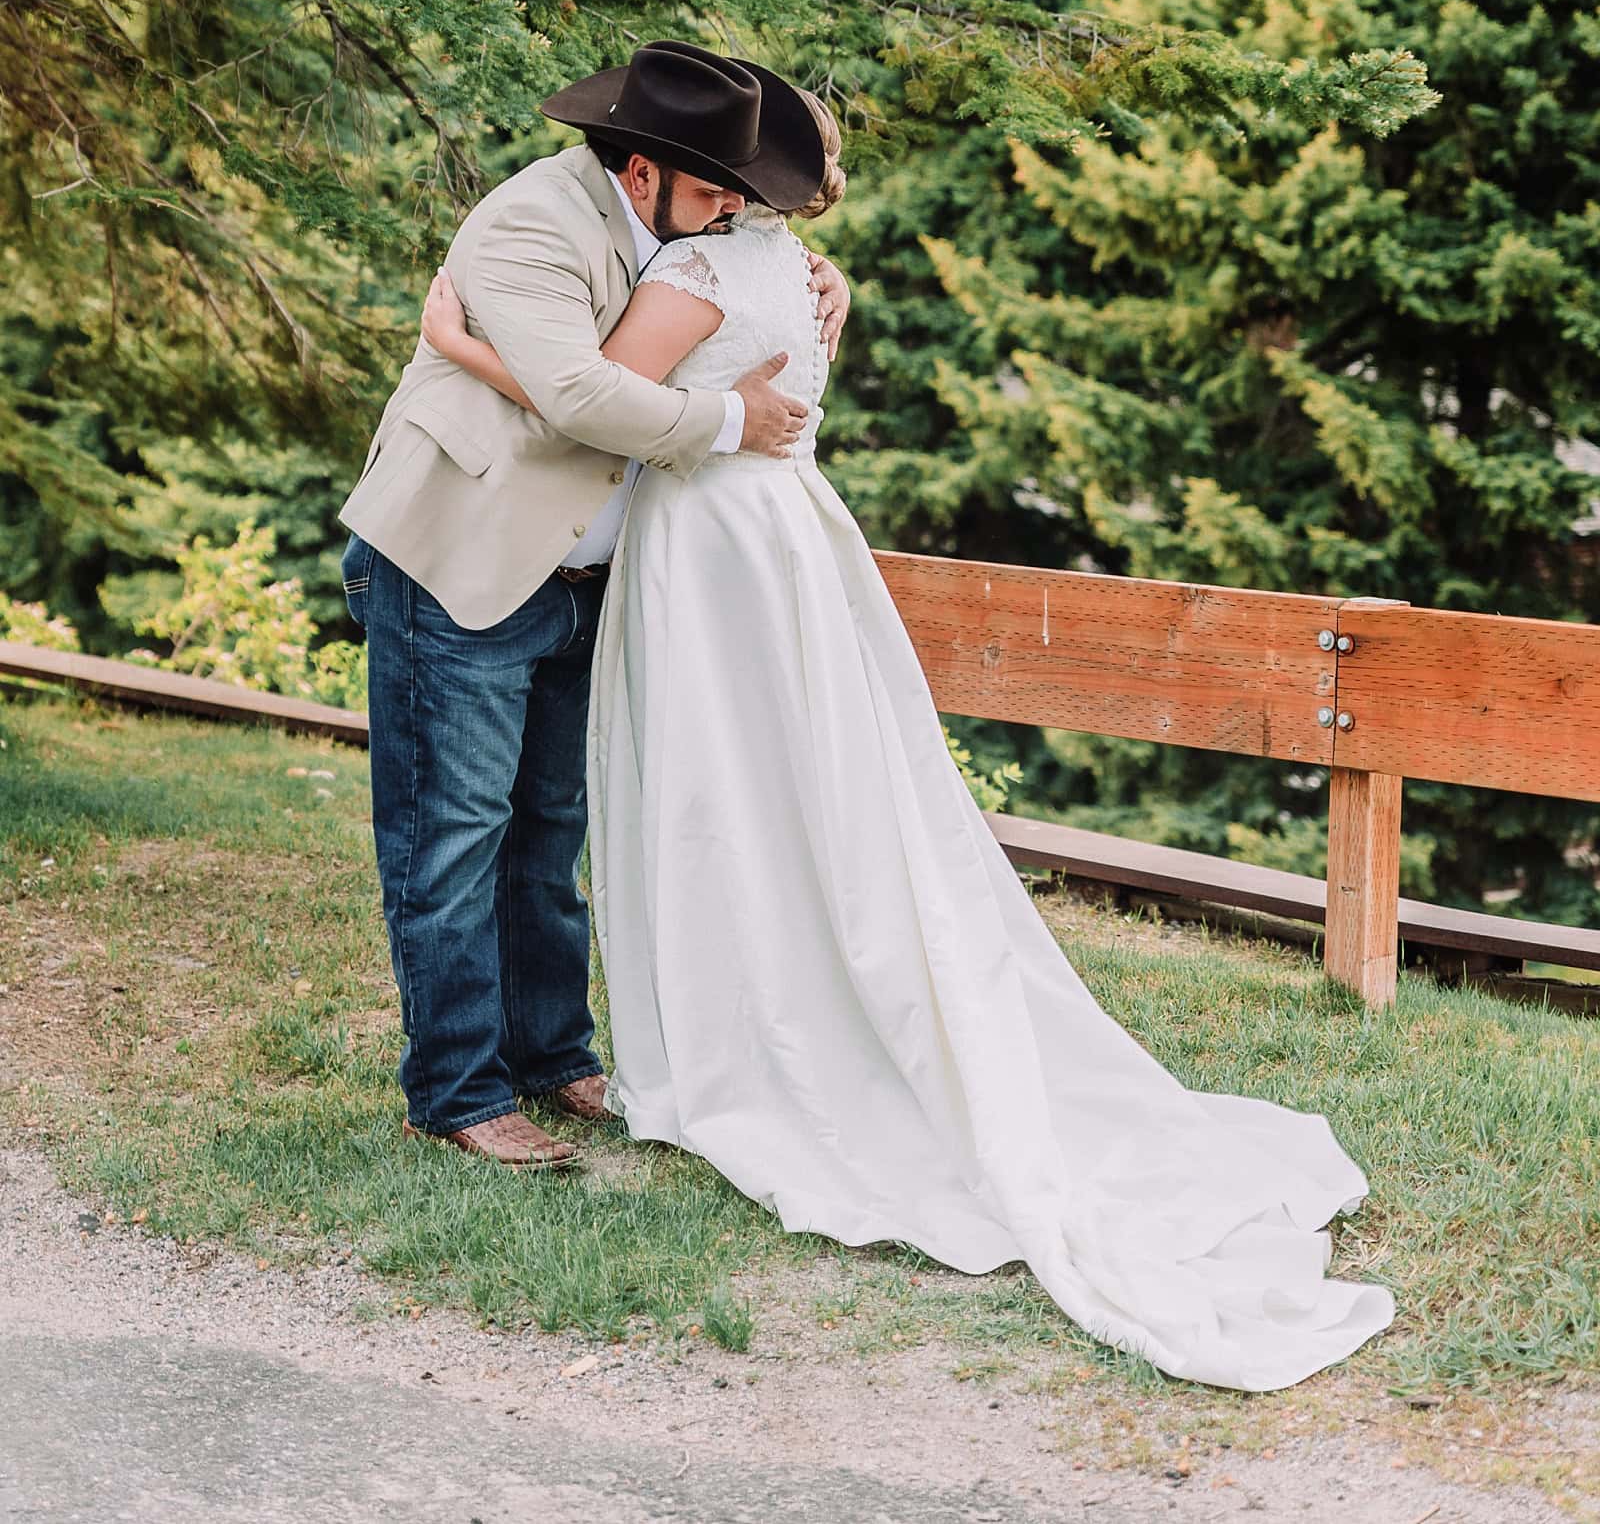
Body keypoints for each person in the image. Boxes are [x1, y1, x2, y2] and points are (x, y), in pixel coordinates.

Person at [420, 86, 1396, 1393]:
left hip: (715, 556)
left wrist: (461, 344)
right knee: (773, 798)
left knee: (717, 803)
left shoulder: (705, 264)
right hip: (773, 545)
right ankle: (594, 1049)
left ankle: (700, 1044)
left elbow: (587, 399)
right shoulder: (776, 267)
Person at [339, 41, 844, 1169]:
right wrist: (729, 426)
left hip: (585, 580)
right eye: (710, 193)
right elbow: (575, 396)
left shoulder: (693, 231)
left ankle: (553, 1056)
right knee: (451, 841)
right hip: (461, 561)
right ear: (636, 171)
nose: (725, 217)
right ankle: (458, 1091)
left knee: (547, 836)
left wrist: (820, 280)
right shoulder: (527, 225)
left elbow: (724, 304)